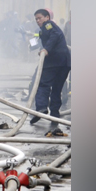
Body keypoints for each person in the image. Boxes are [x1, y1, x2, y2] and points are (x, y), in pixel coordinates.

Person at [30, 8, 71, 136]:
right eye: (36, 19)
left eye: (40, 18)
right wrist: (31, 45)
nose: (38, 21)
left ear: (47, 17)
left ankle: (41, 108)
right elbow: (37, 39)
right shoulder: (42, 30)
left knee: (43, 84)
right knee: (56, 89)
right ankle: (54, 115)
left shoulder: (49, 25)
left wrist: (46, 49)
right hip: (64, 63)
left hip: (53, 61)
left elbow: (55, 36)